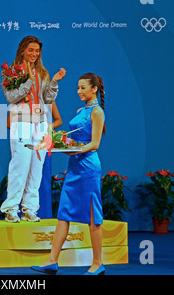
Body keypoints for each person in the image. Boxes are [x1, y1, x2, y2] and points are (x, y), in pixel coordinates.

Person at [31, 73, 106, 275]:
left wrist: (74, 149)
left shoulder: (97, 112)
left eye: (83, 88)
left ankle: (98, 263)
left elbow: (95, 144)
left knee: (93, 217)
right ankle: (52, 261)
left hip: (88, 168)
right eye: (78, 87)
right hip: (74, 167)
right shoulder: (81, 110)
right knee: (63, 214)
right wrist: (57, 144)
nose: (79, 91)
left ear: (94, 89)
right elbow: (72, 141)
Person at [1, 36, 66, 223]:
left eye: (37, 51)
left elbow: (47, 100)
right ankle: (11, 209)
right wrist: (28, 81)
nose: (34, 54)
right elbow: (11, 98)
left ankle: (30, 208)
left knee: (36, 169)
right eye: (31, 50)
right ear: (22, 50)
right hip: (21, 122)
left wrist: (53, 82)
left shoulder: (43, 73)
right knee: (19, 166)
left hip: (40, 124)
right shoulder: (12, 72)